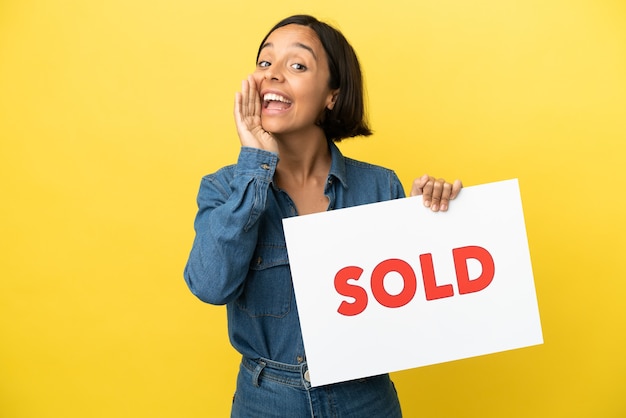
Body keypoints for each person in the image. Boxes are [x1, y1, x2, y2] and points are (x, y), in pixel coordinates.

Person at [184, 14, 462, 418]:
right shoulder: (225, 188)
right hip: (266, 401)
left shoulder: (380, 187)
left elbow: (411, 318)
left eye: (297, 65)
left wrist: (431, 226)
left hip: (365, 399)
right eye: (265, 63)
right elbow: (210, 286)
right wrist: (255, 165)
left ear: (332, 94)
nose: (273, 75)